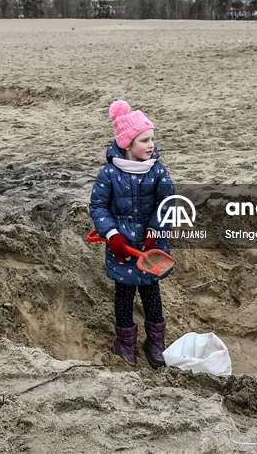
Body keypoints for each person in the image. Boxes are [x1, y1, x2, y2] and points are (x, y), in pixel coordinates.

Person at [89, 100, 175, 368]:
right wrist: (112, 234)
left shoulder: (157, 170)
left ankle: (155, 343)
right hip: (123, 249)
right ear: (127, 144)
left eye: (152, 139)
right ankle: (125, 343)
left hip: (151, 248)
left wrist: (155, 229)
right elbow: (98, 206)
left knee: (152, 294)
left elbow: (167, 203)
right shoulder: (110, 173)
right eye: (144, 140)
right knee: (124, 296)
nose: (151, 145)